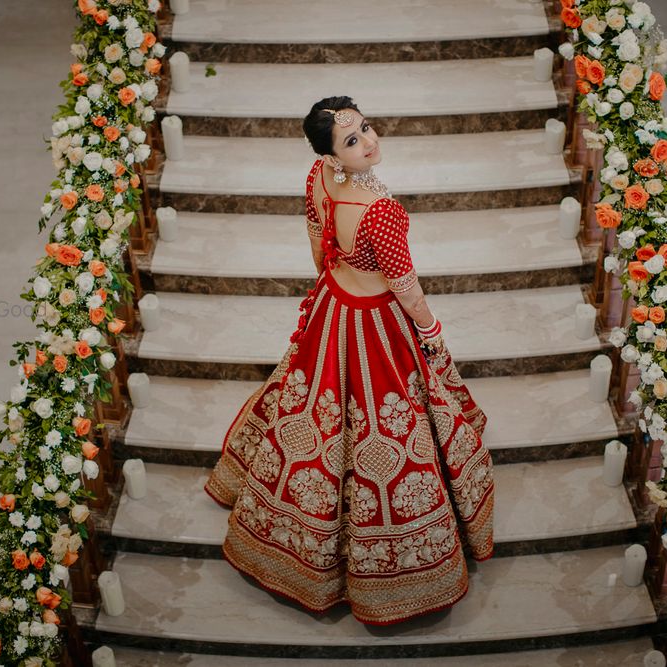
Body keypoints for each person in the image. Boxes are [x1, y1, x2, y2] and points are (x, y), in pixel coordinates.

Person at [204, 95, 495, 626]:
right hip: (376, 320)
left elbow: (318, 245)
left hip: (334, 305)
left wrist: (335, 279)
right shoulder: (379, 212)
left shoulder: (318, 174)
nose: (369, 141)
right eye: (352, 140)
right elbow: (404, 285)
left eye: (366, 128)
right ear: (333, 152)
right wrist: (429, 331)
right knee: (385, 425)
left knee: (313, 410)